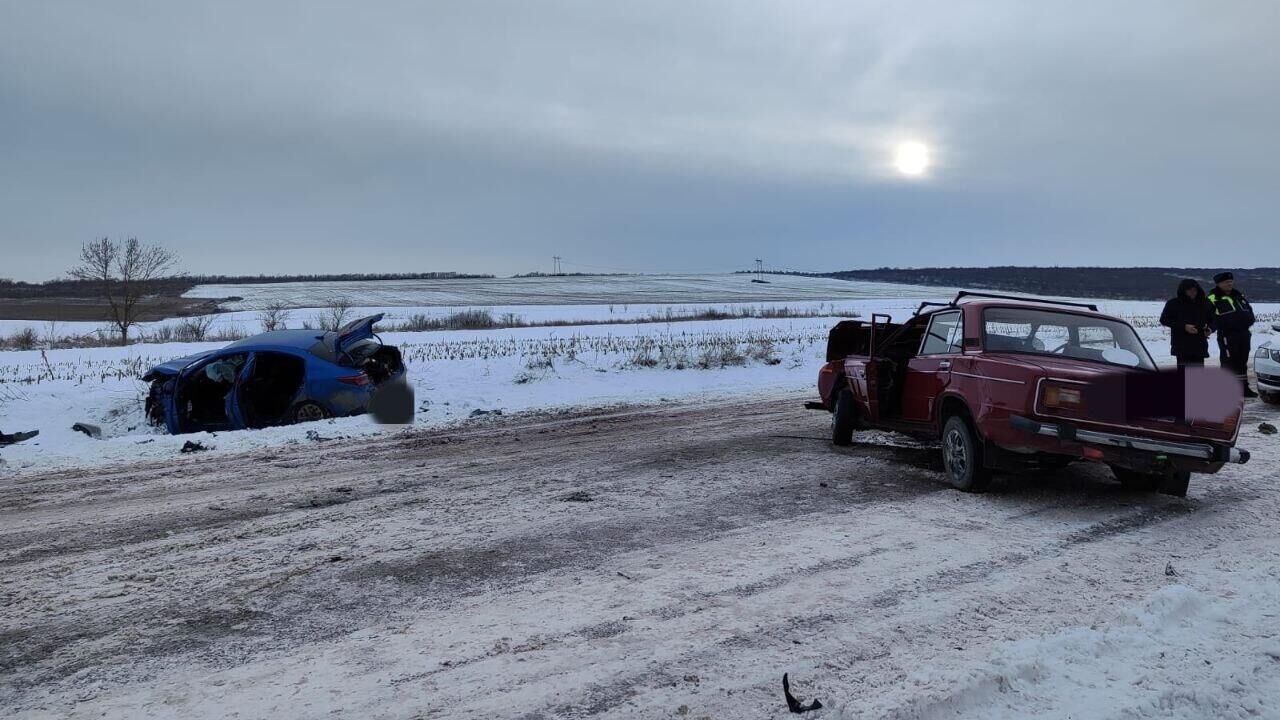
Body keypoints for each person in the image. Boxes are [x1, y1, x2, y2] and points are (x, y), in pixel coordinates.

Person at [1207, 271, 1257, 397]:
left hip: (1244, 334)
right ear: (1219, 284)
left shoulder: (1239, 296)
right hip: (1227, 335)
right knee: (1229, 362)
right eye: (1226, 282)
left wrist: (1249, 320)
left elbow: (1249, 311)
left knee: (1242, 361)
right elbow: (1209, 317)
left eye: (1231, 281)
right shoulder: (1213, 298)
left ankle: (1243, 388)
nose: (1229, 284)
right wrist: (1210, 328)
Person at [1160, 278, 1213, 368]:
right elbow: (1164, 319)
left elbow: (1214, 319)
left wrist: (1210, 329)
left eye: (1195, 290)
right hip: (1181, 345)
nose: (1192, 292)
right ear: (1183, 290)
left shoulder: (1205, 303)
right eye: (1189, 290)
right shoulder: (1173, 303)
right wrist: (1184, 327)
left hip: (1199, 344)